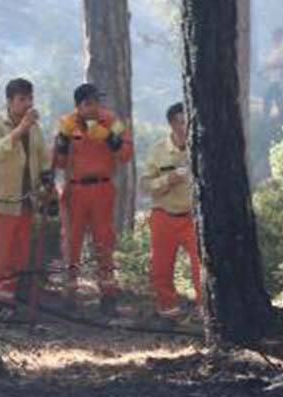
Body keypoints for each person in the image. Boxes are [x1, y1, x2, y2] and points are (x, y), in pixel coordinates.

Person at [51, 83, 133, 316]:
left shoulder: (112, 120)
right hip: (75, 191)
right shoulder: (67, 123)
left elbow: (126, 154)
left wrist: (110, 139)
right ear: (78, 106)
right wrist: (64, 140)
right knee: (71, 243)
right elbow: (57, 162)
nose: (95, 107)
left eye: (97, 101)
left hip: (102, 189)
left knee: (104, 242)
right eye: (89, 103)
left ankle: (108, 297)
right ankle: (69, 296)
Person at [0, 78, 51, 309]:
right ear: (10, 101)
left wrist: (46, 179)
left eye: (30, 98)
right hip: (1, 200)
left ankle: (5, 298)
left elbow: (42, 156)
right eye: (22, 99)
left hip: (26, 200)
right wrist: (20, 130)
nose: (28, 103)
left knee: (18, 253)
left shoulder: (36, 128)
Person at [140, 102, 201, 324]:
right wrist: (169, 179)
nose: (186, 127)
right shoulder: (158, 150)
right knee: (161, 268)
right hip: (164, 215)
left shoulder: (201, 148)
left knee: (200, 265)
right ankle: (169, 312)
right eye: (182, 122)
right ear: (172, 124)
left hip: (193, 218)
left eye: (189, 122)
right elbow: (145, 185)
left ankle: (205, 311)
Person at [262, 27, 283, 120]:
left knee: (268, 98)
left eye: (275, 35)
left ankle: (266, 117)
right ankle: (282, 116)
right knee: (277, 99)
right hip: (273, 78)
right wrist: (267, 68)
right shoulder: (274, 48)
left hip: (278, 79)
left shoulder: (282, 48)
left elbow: (282, 63)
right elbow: (272, 62)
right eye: (273, 36)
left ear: (279, 36)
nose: (273, 38)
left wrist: (270, 65)